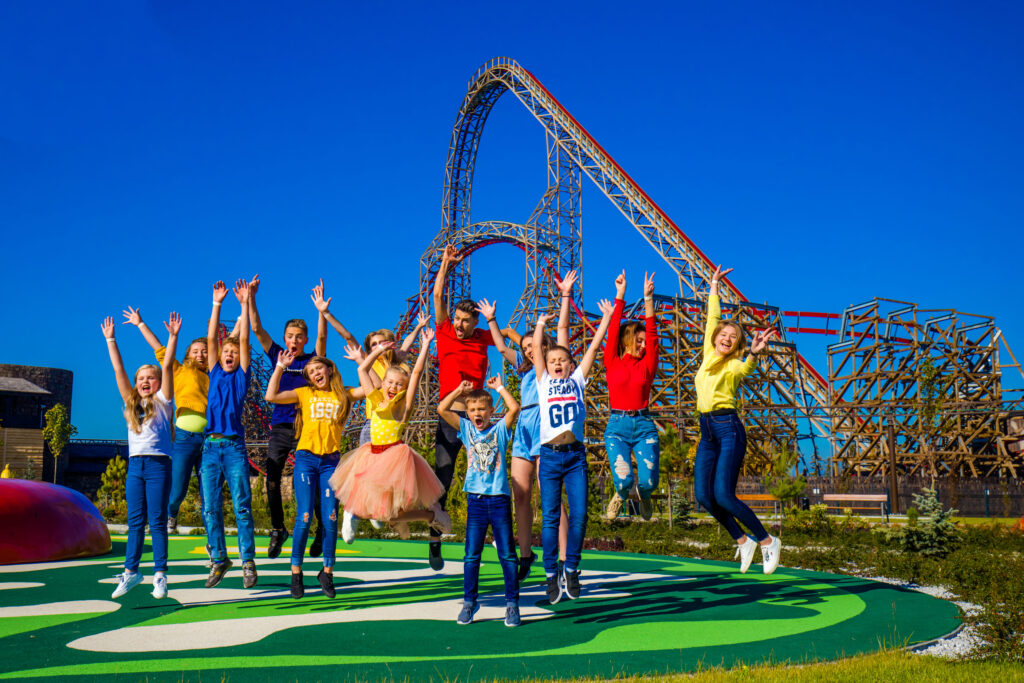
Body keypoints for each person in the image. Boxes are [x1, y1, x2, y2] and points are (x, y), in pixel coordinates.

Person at [476, 272, 574, 582]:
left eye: (535, 345)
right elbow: (503, 348)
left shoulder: (551, 370)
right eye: (527, 346)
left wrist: (565, 298)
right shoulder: (525, 369)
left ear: (546, 347)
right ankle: (526, 554)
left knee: (551, 497)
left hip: (546, 428)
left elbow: (563, 329)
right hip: (523, 429)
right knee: (520, 494)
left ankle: (562, 558)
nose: (530, 350)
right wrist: (492, 321)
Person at [694, 265, 780, 574]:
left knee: (723, 495)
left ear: (737, 344)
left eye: (734, 337)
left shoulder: (734, 366)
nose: (727, 338)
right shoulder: (707, 352)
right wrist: (714, 285)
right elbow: (712, 317)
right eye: (724, 334)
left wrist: (754, 353)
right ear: (716, 338)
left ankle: (768, 541)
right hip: (706, 431)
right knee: (703, 495)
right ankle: (743, 541)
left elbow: (745, 370)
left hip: (728, 427)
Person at [532, 290, 615, 604]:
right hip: (551, 457)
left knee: (580, 515)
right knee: (551, 516)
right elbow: (539, 354)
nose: (555, 363)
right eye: (552, 360)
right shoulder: (542, 381)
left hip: (575, 455)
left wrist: (605, 319)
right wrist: (540, 325)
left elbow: (593, 347)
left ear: (569, 365)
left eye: (561, 360)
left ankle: (573, 568)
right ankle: (551, 573)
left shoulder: (577, 380)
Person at [330, 329, 452, 542]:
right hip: (371, 455)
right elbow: (363, 369)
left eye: (399, 384)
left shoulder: (403, 408)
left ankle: (430, 516)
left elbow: (415, 374)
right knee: (379, 511)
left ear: (403, 388)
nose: (394, 387)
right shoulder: (376, 400)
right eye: (390, 382)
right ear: (383, 383)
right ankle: (410, 519)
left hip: (394, 461)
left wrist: (424, 347)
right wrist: (377, 352)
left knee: (392, 514)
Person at [265, 352, 364, 599]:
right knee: (305, 516)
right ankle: (296, 572)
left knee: (330, 518)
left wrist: (362, 362)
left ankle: (327, 572)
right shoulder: (304, 394)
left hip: (331, 461)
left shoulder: (344, 394)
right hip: (307, 459)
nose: (315, 374)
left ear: (329, 369)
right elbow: (270, 396)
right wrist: (279, 367)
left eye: (319, 369)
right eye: (311, 372)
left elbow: (373, 389)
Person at [248, 275, 327, 560]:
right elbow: (256, 328)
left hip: (307, 427)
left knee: (313, 479)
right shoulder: (278, 355)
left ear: (304, 340)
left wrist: (320, 310)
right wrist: (251, 298)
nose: (294, 341)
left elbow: (322, 338)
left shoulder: (312, 362)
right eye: (290, 336)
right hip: (281, 426)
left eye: (299, 337)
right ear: (285, 339)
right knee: (271, 478)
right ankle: (277, 529)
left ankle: (321, 530)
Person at [101, 311, 178, 600]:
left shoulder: (163, 402)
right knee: (135, 522)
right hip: (136, 466)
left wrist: (172, 338)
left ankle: (160, 574)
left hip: (159, 464)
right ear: (136, 383)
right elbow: (119, 371)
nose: (146, 381)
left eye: (151, 377)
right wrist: (111, 339)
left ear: (158, 383)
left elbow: (167, 364)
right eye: (141, 378)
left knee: (156, 520)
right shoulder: (131, 402)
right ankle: (132, 572)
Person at [429, 244, 495, 569]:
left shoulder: (482, 337)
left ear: (475, 322)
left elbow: (507, 338)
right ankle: (434, 536)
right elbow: (438, 297)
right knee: (443, 476)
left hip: (479, 419)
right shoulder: (444, 333)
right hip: (450, 416)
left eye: (466, 321)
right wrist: (445, 264)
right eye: (457, 318)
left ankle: (485, 537)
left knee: (485, 476)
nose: (459, 324)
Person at [122, 306, 213, 535]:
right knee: (178, 488)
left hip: (209, 438)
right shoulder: (179, 370)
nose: (200, 355)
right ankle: (170, 514)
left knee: (208, 492)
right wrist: (140, 323)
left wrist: (241, 316)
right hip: (184, 437)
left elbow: (231, 344)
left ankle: (212, 539)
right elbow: (159, 348)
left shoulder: (215, 376)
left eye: (204, 351)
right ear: (187, 355)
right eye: (195, 351)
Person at [439, 378, 521, 627]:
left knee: (507, 554)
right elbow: (442, 409)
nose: (477, 413)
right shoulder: (467, 429)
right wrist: (459, 391)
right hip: (475, 500)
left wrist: (499, 389)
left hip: (498, 500)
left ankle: (512, 604)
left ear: (491, 411)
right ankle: (469, 602)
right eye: (472, 409)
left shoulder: (499, 431)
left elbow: (514, 409)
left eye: (482, 409)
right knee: (471, 555)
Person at [202, 280, 258, 589]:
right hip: (210, 447)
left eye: (234, 353)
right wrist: (217, 304)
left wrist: (245, 305)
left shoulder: (241, 377)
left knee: (241, 504)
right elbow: (211, 338)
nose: (229, 355)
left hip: (234, 446)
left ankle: (248, 561)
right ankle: (219, 559)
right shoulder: (214, 373)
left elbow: (245, 339)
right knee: (210, 506)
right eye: (225, 351)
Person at [602, 271, 660, 521]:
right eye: (638, 341)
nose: (643, 345)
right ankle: (621, 494)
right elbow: (613, 330)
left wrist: (648, 300)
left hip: (645, 426)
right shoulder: (612, 361)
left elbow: (654, 337)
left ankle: (644, 496)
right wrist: (620, 295)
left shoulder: (647, 365)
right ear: (626, 341)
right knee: (624, 480)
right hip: (617, 426)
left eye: (644, 341)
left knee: (648, 482)